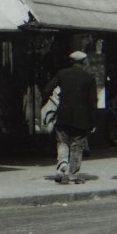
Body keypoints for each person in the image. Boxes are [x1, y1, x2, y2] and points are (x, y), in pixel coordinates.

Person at [41, 50, 96, 185]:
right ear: (84, 62)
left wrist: (47, 104)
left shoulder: (62, 74)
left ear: (71, 62)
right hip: (81, 118)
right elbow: (92, 101)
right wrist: (93, 121)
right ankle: (73, 174)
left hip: (63, 115)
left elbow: (47, 90)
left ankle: (62, 165)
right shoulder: (89, 77)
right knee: (77, 146)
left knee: (62, 142)